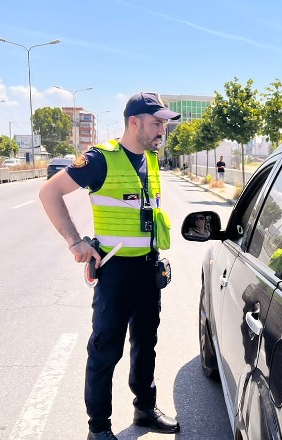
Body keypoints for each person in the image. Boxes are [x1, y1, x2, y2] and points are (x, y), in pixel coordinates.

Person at [39, 92, 181, 440]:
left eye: (164, 123)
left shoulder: (151, 159)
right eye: (156, 122)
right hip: (116, 271)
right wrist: (75, 242)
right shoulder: (100, 159)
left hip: (148, 269)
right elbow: (49, 193)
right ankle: (98, 428)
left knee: (146, 343)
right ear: (134, 122)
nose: (162, 129)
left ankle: (144, 410)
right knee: (106, 349)